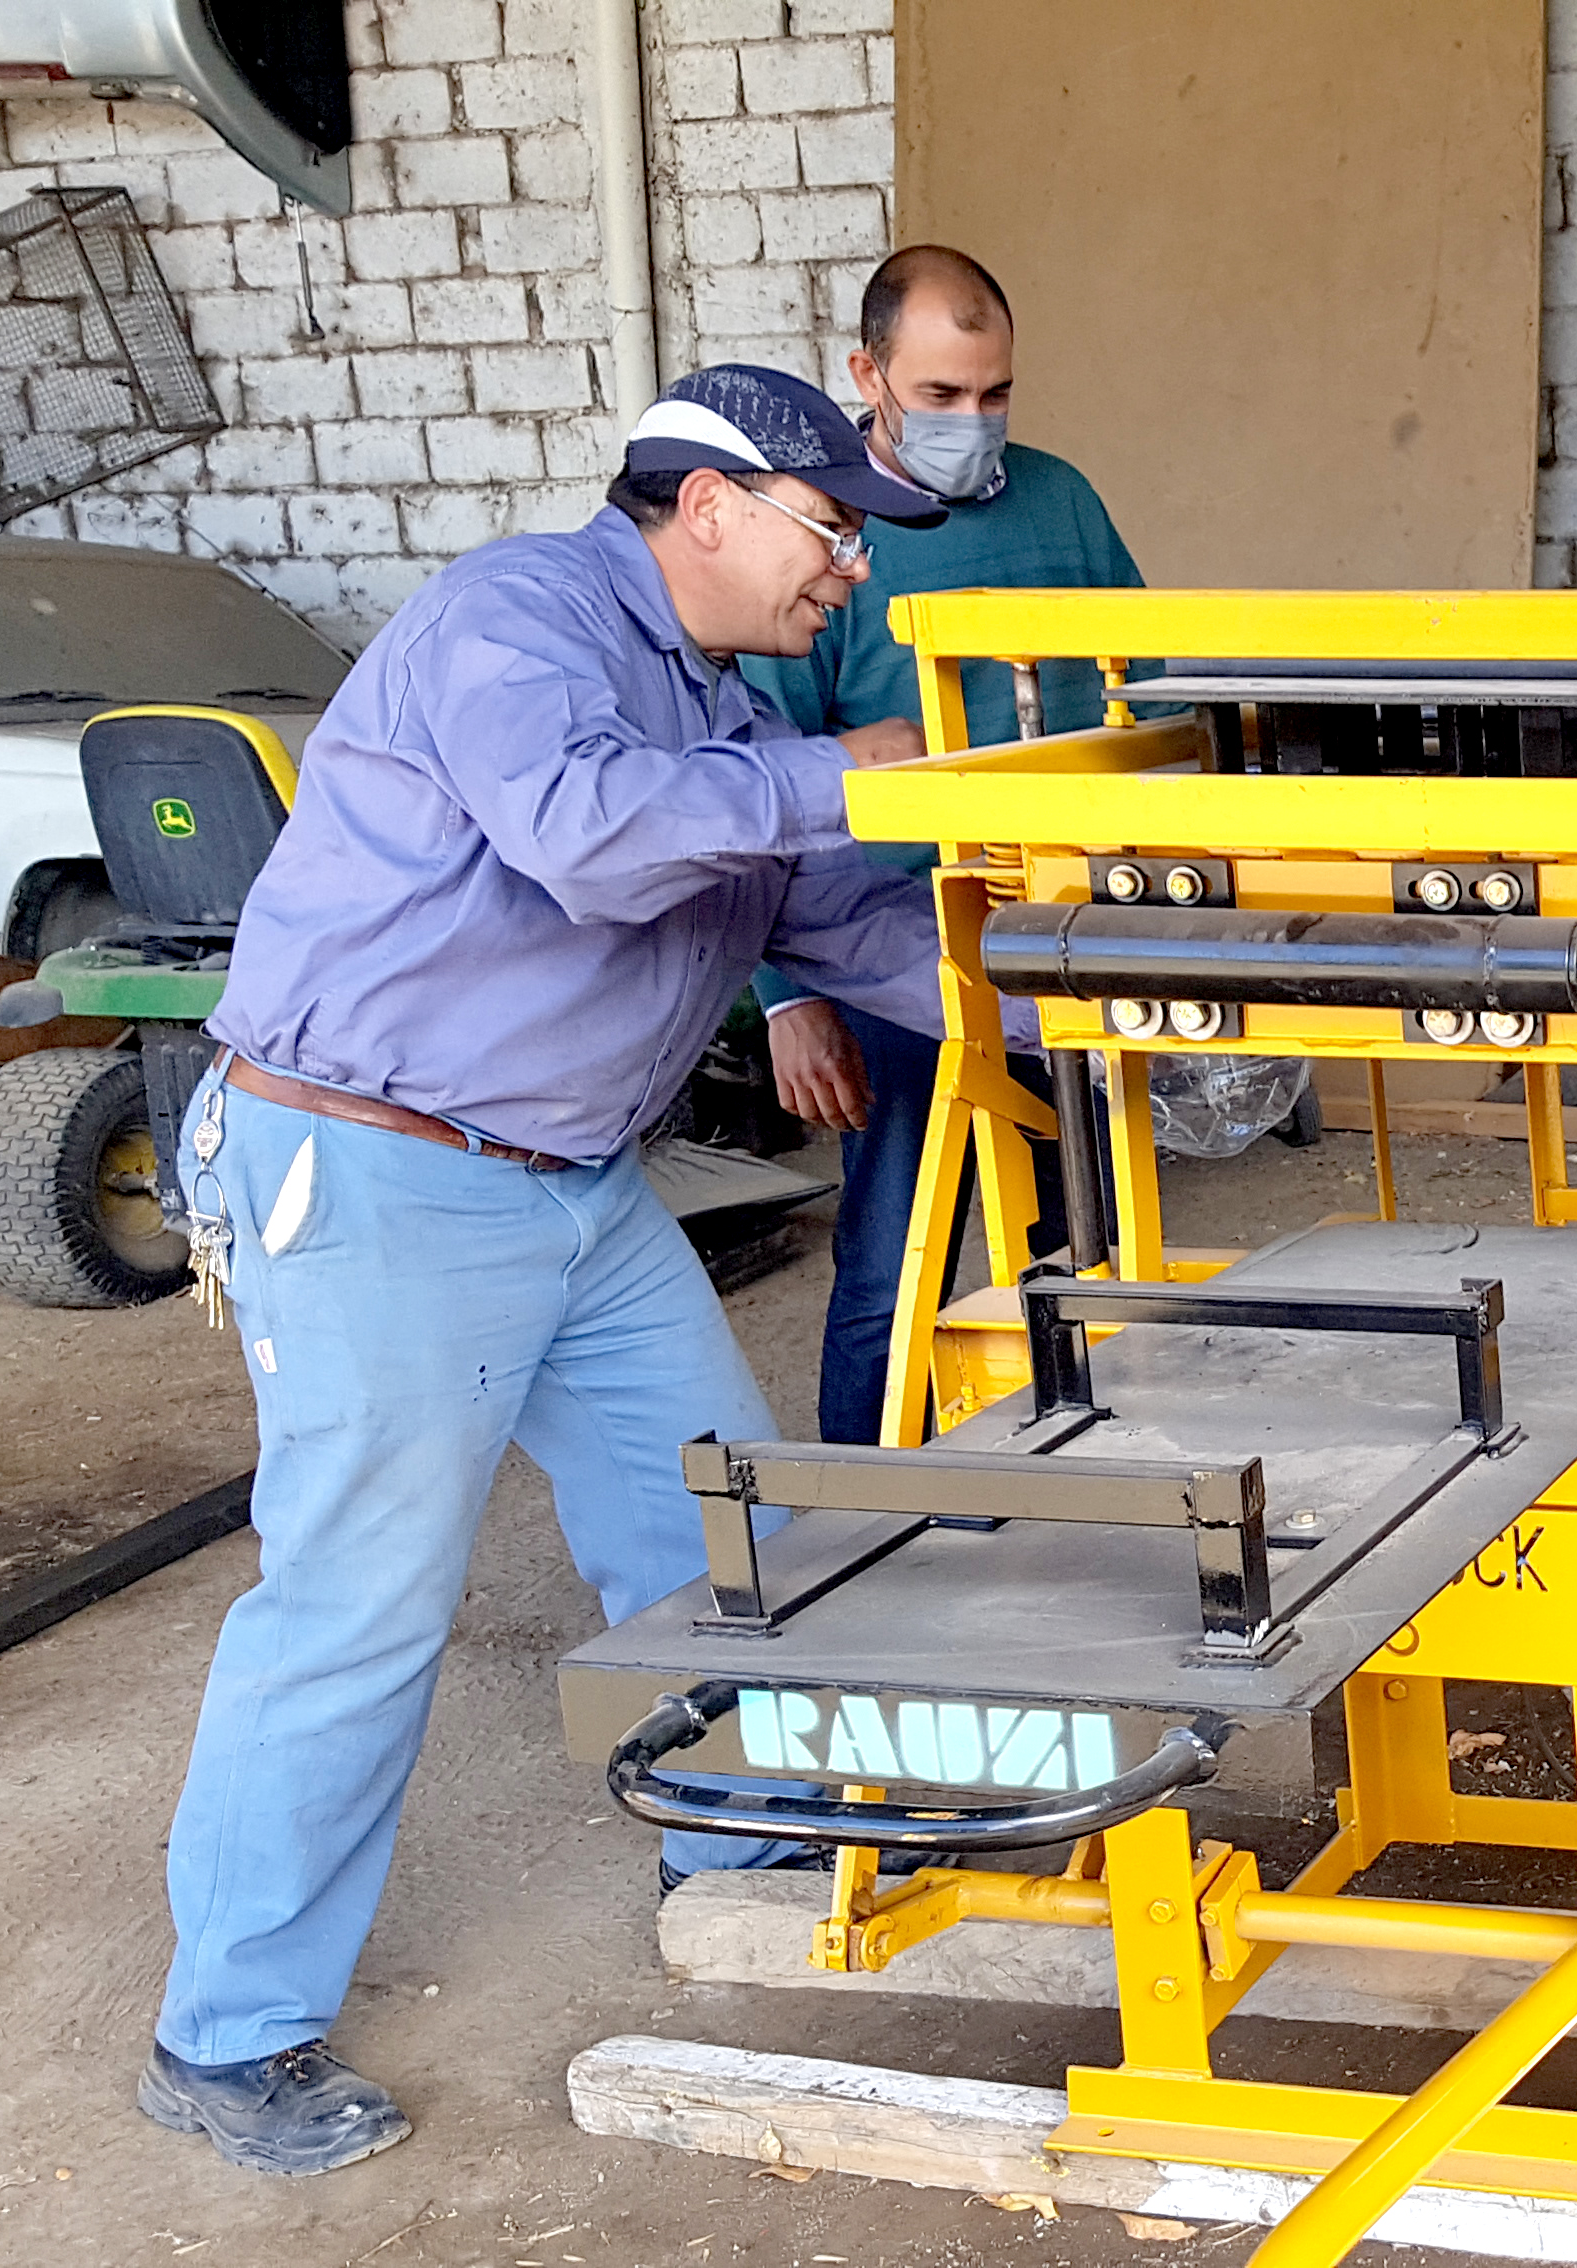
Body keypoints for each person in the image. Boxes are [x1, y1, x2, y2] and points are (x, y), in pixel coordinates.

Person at [137, 365, 990, 2178]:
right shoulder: (514, 619)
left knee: (707, 1522)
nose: (850, 571)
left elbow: (847, 919)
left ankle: (740, 1833)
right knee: (357, 1609)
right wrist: (858, 768)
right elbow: (594, 830)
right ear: (707, 503)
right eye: (832, 530)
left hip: (573, 1185)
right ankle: (227, 2029)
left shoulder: (725, 707)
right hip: (373, 1165)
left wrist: (1102, 978)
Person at [741, 243, 1147, 1445]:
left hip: (1067, 934)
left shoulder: (1064, 500)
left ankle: (1094, 1464)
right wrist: (785, 998)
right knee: (892, 1258)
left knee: (1094, 1244)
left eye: (996, 393)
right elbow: (762, 779)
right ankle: (864, 1520)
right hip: (888, 950)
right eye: (940, 397)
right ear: (867, 374)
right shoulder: (825, 534)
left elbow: (1150, 683)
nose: (975, 423)